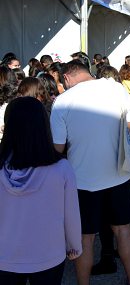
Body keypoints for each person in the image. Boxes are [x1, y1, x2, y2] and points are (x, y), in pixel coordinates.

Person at [50, 61, 130, 285]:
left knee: (85, 238)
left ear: (68, 77)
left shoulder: (62, 101)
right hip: (118, 174)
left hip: (82, 181)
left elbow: (58, 148)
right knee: (123, 231)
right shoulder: (116, 88)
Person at [0, 97, 81, 285]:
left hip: (4, 255)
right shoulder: (61, 169)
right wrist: (74, 245)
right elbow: (71, 214)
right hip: (49, 253)